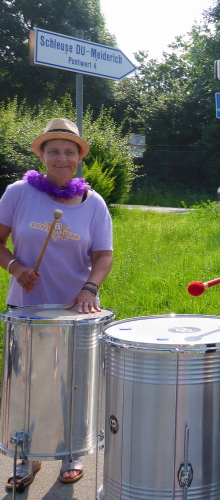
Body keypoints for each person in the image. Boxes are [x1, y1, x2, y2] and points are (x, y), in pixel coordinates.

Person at [0, 118, 114, 489]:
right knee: (27, 385)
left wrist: (89, 288)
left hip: (76, 310)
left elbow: (103, 255)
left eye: (69, 151)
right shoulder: (18, 193)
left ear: (78, 158)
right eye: (54, 151)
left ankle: (72, 451)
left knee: (74, 384)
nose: (61, 158)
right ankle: (27, 456)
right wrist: (16, 268)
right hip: (26, 308)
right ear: (42, 156)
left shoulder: (94, 203)